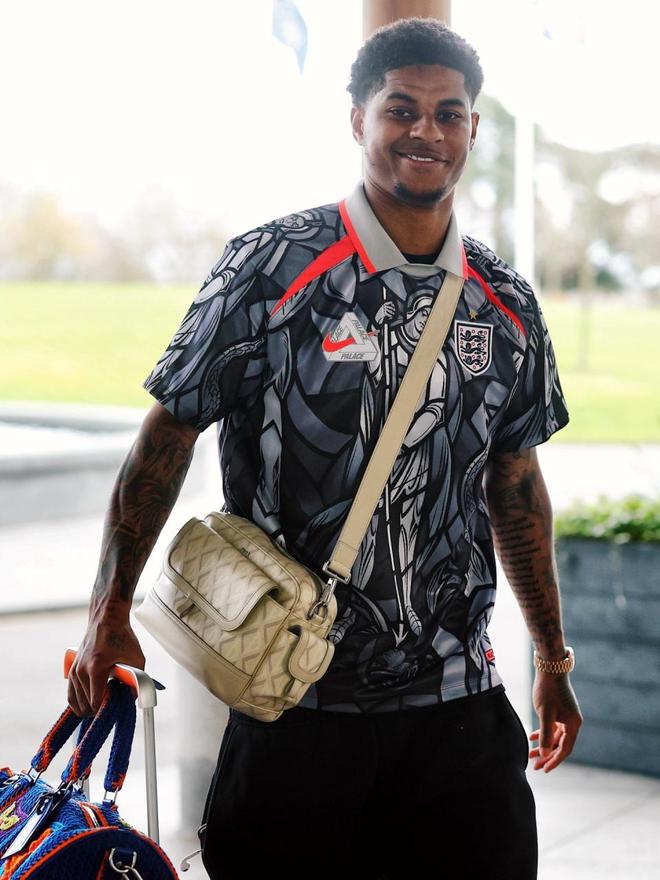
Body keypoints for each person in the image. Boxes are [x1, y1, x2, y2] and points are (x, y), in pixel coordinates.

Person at [67, 16, 583, 880]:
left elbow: (516, 482)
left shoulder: (505, 300)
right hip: (291, 706)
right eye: (401, 109)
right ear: (357, 121)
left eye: (449, 114)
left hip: (457, 710)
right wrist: (106, 610)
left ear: (473, 131)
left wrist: (552, 657)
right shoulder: (271, 265)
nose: (426, 131)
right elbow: (168, 433)